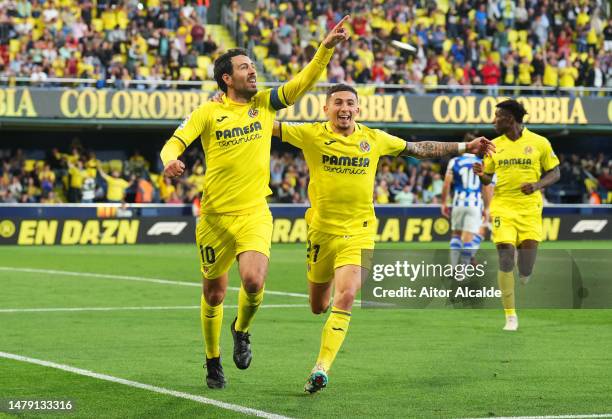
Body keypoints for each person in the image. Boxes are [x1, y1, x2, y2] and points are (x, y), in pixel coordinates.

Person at [159, 16, 351, 390]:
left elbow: (300, 84)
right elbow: (175, 141)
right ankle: (213, 359)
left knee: (253, 279)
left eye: (253, 65)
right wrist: (170, 160)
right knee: (213, 292)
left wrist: (325, 48)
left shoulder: (264, 104)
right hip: (214, 216)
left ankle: (241, 329)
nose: (253, 71)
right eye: (245, 67)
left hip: (254, 212)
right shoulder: (208, 112)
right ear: (226, 79)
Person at [272, 84, 494, 393]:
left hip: (360, 231)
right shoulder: (311, 133)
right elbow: (263, 125)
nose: (344, 107)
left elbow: (419, 149)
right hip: (321, 233)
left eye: (350, 102)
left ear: (358, 109)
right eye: (338, 102)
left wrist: (464, 147)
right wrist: (229, 105)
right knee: (317, 306)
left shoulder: (374, 139)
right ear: (326, 109)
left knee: (346, 295)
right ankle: (325, 320)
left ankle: (321, 368)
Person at [473, 99, 560, 332]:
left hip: (530, 208)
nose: (493, 121)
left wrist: (538, 184)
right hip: (503, 206)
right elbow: (487, 179)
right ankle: (510, 316)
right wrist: (482, 174)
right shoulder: (493, 146)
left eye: (497, 116)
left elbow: (555, 172)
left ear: (510, 119)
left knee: (526, 264)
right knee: (505, 257)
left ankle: (525, 272)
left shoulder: (539, 143)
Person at [441, 133, 494, 267]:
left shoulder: (455, 161)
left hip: (458, 202)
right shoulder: (481, 163)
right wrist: (487, 207)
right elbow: (486, 186)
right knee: (469, 238)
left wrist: (443, 203)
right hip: (475, 204)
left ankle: (453, 267)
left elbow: (447, 184)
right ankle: (463, 271)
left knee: (456, 235)